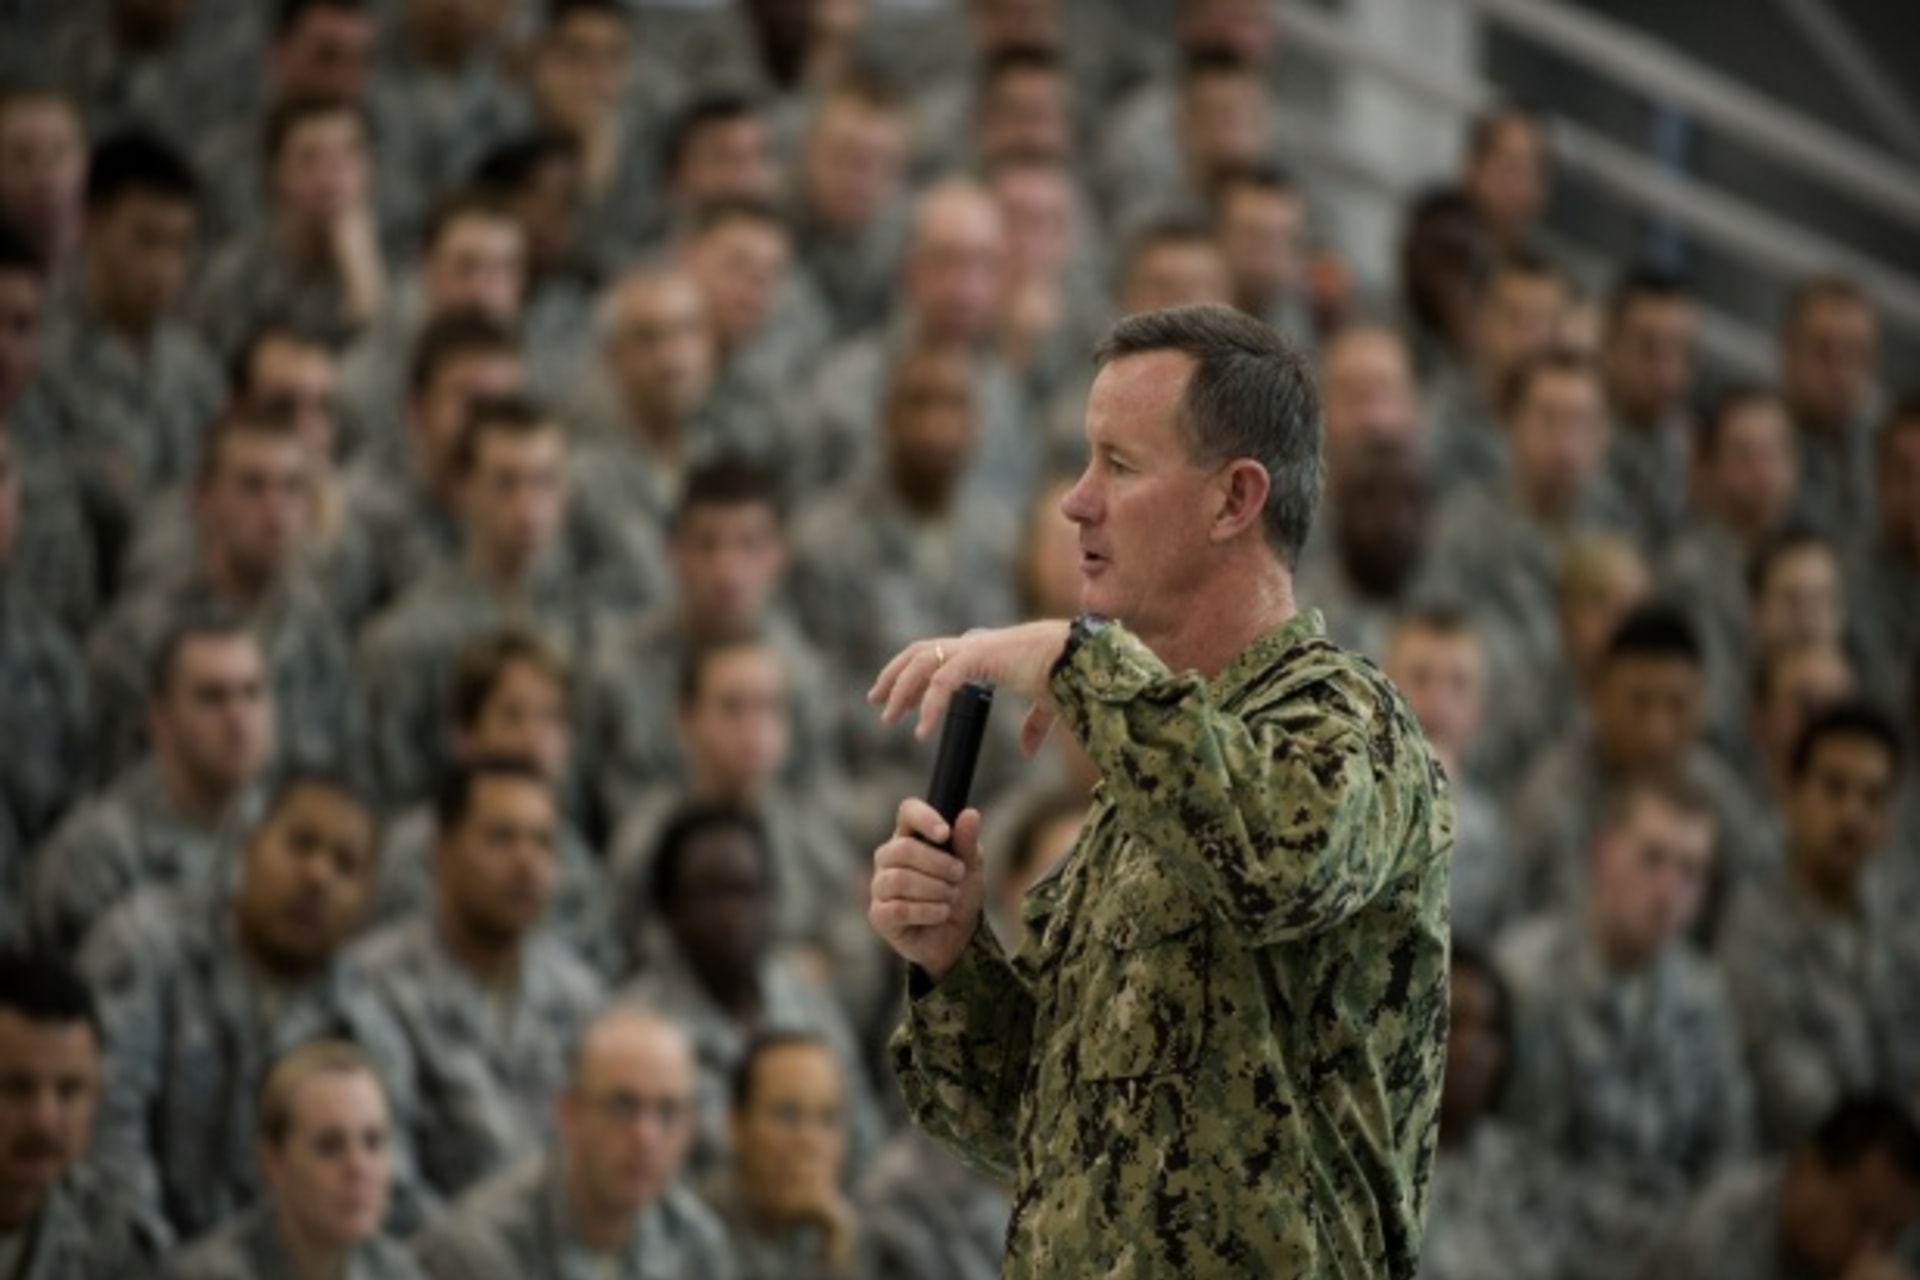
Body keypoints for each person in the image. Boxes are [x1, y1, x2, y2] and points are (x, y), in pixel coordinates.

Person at [868, 304, 1451, 1275]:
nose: (1076, 501)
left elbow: (1277, 861)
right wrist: (954, 954)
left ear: (1234, 500)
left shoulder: (1352, 725)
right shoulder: (1146, 780)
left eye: (1118, 465)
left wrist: (1074, 654)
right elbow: (1032, 1132)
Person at [78, 770, 424, 1240]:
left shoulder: (366, 1024)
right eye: (300, 845)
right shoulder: (147, 946)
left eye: (345, 866)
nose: (317, 876)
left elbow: (385, 1192)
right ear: (248, 846)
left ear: (367, 901)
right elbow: (104, 1133)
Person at [1498, 777, 1752, 1245]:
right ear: (1602, 855)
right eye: (1651, 859)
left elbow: (1727, 1158)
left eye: (1691, 871)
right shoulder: (1526, 978)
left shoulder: (1706, 996)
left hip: (1674, 1254)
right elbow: (1515, 1161)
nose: (1669, 889)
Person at [351, 757, 605, 1199]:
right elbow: (387, 1183)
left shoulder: (579, 994)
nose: (527, 863)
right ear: (442, 854)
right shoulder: (373, 988)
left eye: (543, 843)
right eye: (501, 838)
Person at [617, 804, 879, 1178]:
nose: (731, 913)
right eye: (709, 893)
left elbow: (864, 1139)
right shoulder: (636, 1027)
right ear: (669, 908)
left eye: (745, 891)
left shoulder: (809, 1004)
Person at [1716, 702, 1917, 1150]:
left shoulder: (1903, 922)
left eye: (1873, 797)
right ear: (1791, 795)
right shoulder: (1753, 932)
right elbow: (1788, 1095)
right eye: (1834, 789)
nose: (1852, 815)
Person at [414, 1008, 738, 1280]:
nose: (646, 1136)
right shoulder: (479, 1250)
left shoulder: (695, 1241)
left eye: (667, 1112)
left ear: (692, 1128)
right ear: (569, 1114)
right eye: (622, 1106)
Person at [31, 614, 274, 955]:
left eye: (253, 693)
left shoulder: (283, 835)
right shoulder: (95, 856)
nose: (238, 717)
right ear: (159, 720)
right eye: (212, 697)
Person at [164, 1040, 428, 1280]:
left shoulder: (394, 1269)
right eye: (329, 1146)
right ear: (273, 1162)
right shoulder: (208, 1274)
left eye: (373, 1142)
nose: (358, 1167)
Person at [0, 951, 168, 1277]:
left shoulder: (111, 1237)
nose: (44, 1119)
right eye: (15, 1088)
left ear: (97, 1095)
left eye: (69, 1091)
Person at [1637, 1094, 1920, 1280]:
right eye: (1863, 1220)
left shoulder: (1866, 1237)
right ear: (1807, 1169)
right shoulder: (1712, 1249)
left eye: (1892, 1233)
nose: (1873, 1249)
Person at [1418, 945, 1569, 1280]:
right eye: (1453, 1023)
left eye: (1488, 1030)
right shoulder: (1377, 1167)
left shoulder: (1526, 1171)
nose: (1472, 1049)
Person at [1382, 608, 1516, 944]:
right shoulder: (1347, 799)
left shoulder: (1492, 834)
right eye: (1420, 677)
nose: (1437, 701)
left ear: (1480, 708)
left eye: (1459, 683)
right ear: (1383, 688)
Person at [704, 1032, 872, 1280]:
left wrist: (838, 1241)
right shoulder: (698, 1235)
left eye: (828, 1119)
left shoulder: (833, 1227)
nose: (809, 1139)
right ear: (735, 1124)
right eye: (787, 1115)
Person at [1598, 268, 1698, 555]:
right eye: (1647, 348)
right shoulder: (1571, 436)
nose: (1664, 370)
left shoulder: (1699, 453)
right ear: (1609, 344)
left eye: (1678, 349)